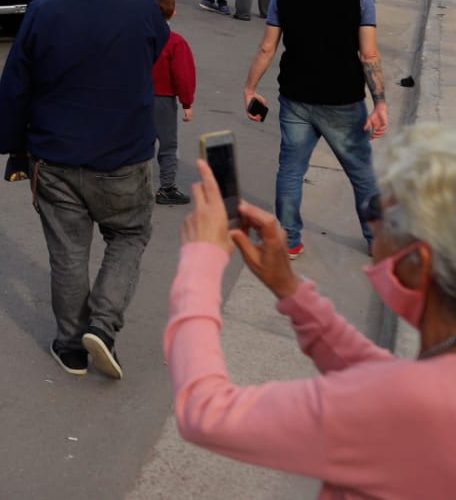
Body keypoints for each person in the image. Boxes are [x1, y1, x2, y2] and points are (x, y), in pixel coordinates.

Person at [164, 128, 456, 496]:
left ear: (417, 261)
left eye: (376, 207)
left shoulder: (408, 406)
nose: (370, 219)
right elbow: (380, 376)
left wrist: (200, 260)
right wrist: (290, 289)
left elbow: (205, 413)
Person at [0, 0, 169, 380]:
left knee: (69, 253)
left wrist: (13, 148)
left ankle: (71, 346)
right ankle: (104, 326)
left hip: (56, 155)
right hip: (124, 156)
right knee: (128, 236)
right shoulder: (143, 11)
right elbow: (152, 53)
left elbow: (16, 86)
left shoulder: (44, 12)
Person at [244, 0, 386, 258]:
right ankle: (377, 242)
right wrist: (380, 102)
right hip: (344, 101)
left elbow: (267, 48)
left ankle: (290, 240)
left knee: (291, 170)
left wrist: (250, 87)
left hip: (296, 98)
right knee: (362, 174)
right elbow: (369, 56)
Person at [149, 0, 195, 206]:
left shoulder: (135, 37)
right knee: (167, 145)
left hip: (137, 95)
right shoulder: (175, 42)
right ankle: (166, 187)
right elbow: (183, 75)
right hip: (163, 99)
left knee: (139, 142)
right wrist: (187, 102)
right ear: (173, 13)